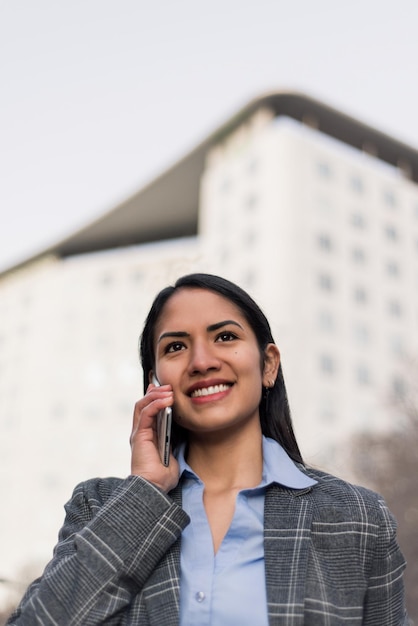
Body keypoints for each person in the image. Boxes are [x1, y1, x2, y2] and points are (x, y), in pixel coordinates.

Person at [7, 273, 408, 625]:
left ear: (268, 365)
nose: (201, 361)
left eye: (225, 337)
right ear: (155, 383)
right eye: (176, 347)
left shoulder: (358, 518)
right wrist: (145, 491)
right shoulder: (99, 506)